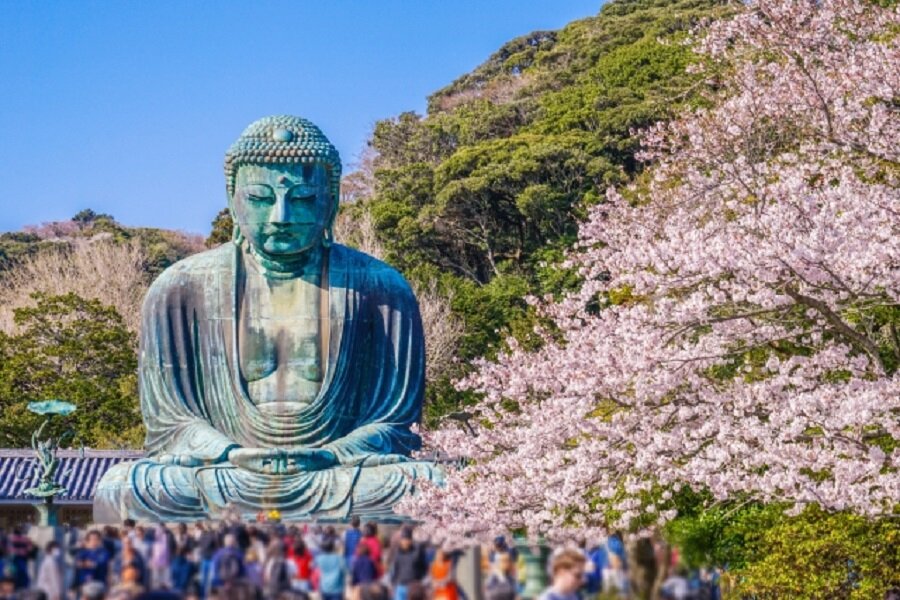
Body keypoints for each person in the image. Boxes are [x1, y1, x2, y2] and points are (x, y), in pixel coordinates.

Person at [388, 529, 426, 600]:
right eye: (403, 539)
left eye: (407, 539)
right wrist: (392, 581)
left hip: (413, 586)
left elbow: (423, 567)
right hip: (400, 585)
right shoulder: (397, 552)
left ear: (411, 540)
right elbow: (394, 568)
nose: (405, 542)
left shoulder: (417, 552)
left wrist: (420, 580)